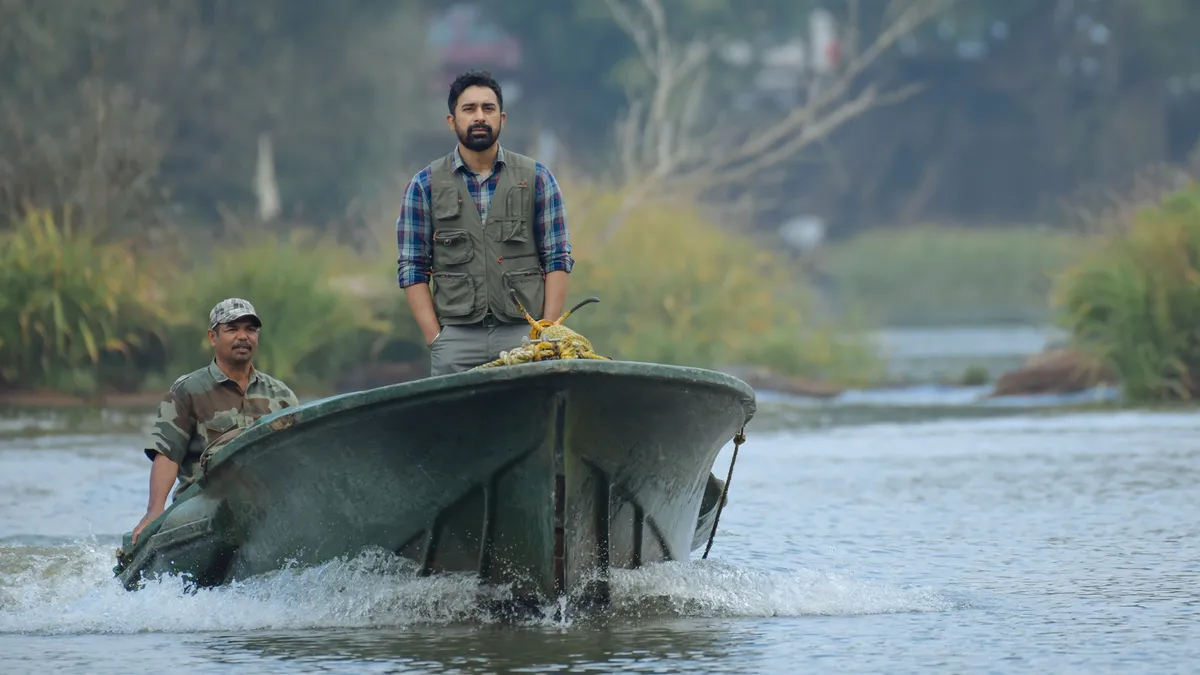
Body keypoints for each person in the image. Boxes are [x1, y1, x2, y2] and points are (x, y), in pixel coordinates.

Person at [395, 69, 575, 376]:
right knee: (456, 425)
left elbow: (557, 258)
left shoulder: (538, 179)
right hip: (455, 342)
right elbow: (412, 267)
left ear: (502, 119)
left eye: (488, 108)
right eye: (469, 109)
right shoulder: (424, 185)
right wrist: (435, 339)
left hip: (525, 336)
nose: (480, 116)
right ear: (452, 121)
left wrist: (545, 332)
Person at [129, 298, 299, 545]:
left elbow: (295, 458)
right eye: (232, 329)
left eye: (250, 330)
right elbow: (167, 453)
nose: (243, 337)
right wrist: (154, 512)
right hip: (204, 506)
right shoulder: (188, 390)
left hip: (264, 505)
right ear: (213, 337)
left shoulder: (281, 395)